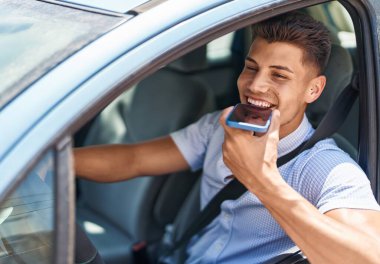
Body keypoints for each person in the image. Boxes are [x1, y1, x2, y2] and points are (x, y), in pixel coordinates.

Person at [74, 12, 380, 263]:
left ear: (313, 89)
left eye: (279, 75)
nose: (256, 85)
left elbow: (368, 257)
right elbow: (134, 159)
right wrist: (56, 160)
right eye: (251, 68)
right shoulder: (219, 126)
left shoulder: (325, 167)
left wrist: (261, 179)